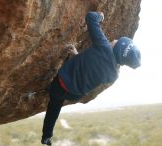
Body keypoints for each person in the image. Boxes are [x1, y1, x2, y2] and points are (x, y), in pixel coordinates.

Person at [41, 11, 141, 145]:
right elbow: (91, 69)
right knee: (55, 107)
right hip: (75, 94)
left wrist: (101, 15)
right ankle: (46, 138)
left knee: (53, 106)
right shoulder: (113, 75)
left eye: (117, 41)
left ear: (117, 49)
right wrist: (77, 55)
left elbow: (90, 18)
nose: (114, 39)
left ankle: (47, 134)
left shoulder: (104, 46)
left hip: (60, 84)